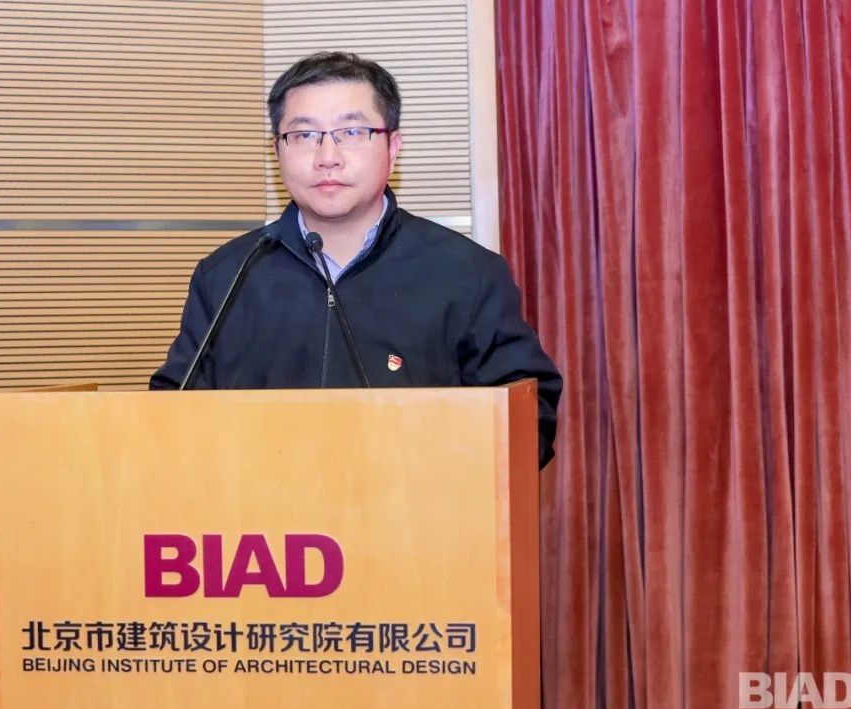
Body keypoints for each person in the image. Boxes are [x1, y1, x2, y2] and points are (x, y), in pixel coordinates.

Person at [150, 51, 562, 467]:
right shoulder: (227, 275)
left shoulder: (467, 273)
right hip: (258, 506)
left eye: (351, 132)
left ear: (393, 146)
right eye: (304, 135)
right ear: (278, 151)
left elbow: (529, 417)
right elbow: (170, 417)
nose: (327, 156)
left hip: (415, 503)